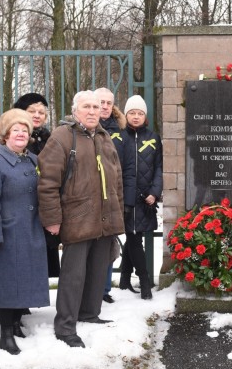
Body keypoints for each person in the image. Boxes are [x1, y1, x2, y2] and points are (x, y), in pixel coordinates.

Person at [37, 90, 124, 348]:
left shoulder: (104, 137)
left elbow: (116, 177)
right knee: (73, 275)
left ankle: (89, 313)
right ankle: (65, 325)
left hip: (104, 217)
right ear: (75, 111)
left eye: (96, 107)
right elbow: (48, 182)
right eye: (86, 106)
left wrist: (117, 209)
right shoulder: (62, 137)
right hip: (77, 216)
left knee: (98, 269)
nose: (92, 111)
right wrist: (52, 219)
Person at [0, 109, 50, 355]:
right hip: (8, 232)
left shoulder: (32, 159)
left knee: (25, 279)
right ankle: (5, 334)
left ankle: (17, 324)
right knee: (8, 282)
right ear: (5, 134)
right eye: (15, 130)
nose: (21, 134)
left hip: (30, 228)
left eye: (25, 130)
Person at [118, 95, 162, 300]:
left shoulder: (153, 138)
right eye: (132, 113)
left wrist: (155, 192)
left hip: (146, 199)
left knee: (133, 235)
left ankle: (125, 278)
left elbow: (159, 168)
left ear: (145, 116)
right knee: (134, 237)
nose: (136, 117)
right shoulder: (118, 138)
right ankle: (144, 281)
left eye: (140, 113)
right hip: (126, 199)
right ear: (126, 115)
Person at [14, 93, 61, 280]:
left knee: (42, 255)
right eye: (32, 111)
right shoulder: (12, 137)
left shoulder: (49, 138)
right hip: (21, 206)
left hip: (44, 204)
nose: (37, 115)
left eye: (41, 112)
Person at [96, 86, 126, 302]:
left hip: (112, 195)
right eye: (101, 102)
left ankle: (104, 289)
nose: (105, 106)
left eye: (109, 103)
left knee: (109, 244)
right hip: (90, 195)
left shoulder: (120, 131)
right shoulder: (83, 128)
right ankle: (92, 288)